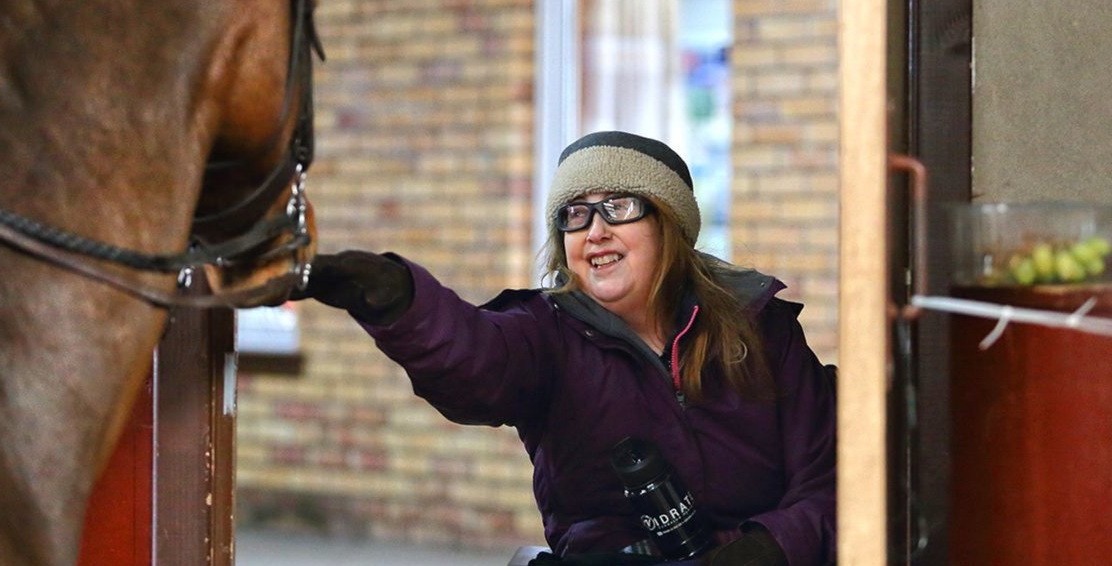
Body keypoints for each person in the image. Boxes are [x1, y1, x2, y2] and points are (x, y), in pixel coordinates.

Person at [295, 130, 836, 565]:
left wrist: (768, 548)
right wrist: (400, 300)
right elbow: (474, 362)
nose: (594, 230)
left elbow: (832, 477)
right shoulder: (544, 332)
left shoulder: (761, 328)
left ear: (668, 224)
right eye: (574, 214)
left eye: (617, 206)